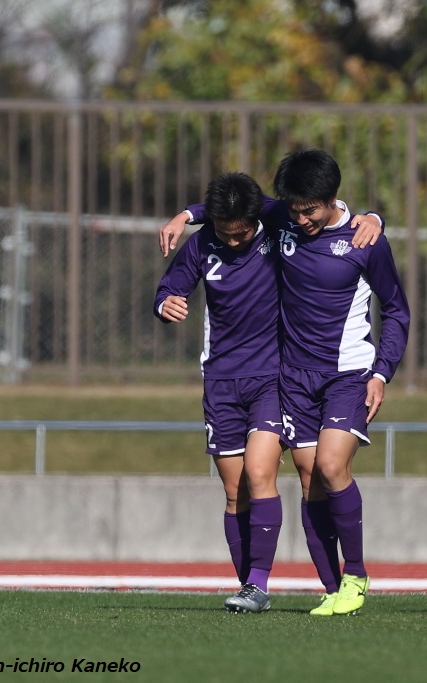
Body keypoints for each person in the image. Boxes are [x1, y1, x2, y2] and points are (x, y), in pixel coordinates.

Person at [174, 150, 410, 617]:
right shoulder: (283, 214)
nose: (300, 219)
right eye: (294, 210)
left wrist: (382, 372)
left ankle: (356, 575)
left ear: (332, 199)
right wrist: (186, 215)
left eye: (310, 211)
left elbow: (397, 310)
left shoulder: (365, 240)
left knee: (330, 466)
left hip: (347, 373)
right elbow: (237, 205)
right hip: (292, 379)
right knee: (308, 480)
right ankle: (330, 587)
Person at [153, 172, 286, 614]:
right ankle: (248, 587)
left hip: (272, 376)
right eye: (224, 233)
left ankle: (259, 584)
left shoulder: (277, 223)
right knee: (234, 492)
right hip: (221, 380)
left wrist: (373, 218)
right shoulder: (201, 244)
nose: (233, 241)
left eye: (241, 233)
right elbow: (169, 288)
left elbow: (315, 209)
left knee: (260, 471)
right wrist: (164, 304)